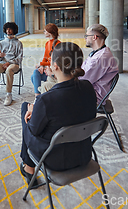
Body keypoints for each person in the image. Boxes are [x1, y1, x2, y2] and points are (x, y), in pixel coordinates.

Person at [20, 42, 97, 187]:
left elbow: (33, 131)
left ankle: (28, 168)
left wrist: (33, 111)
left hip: (55, 160)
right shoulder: (88, 87)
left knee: (25, 109)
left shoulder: (46, 100)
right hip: (84, 154)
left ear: (55, 66)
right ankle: (28, 167)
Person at [81, 24, 119, 106]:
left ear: (94, 37)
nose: (85, 38)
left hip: (93, 96)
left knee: (55, 92)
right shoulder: (101, 52)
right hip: (91, 91)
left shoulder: (100, 58)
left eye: (87, 35)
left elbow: (83, 79)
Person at [0, 22, 23, 106]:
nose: (8, 30)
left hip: (14, 64)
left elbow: (20, 58)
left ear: (14, 30)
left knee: (9, 70)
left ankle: (9, 94)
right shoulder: (2, 43)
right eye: (7, 29)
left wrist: (9, 62)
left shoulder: (18, 43)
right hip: (3, 63)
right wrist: (0, 57)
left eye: (10, 29)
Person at [30, 23, 61, 102]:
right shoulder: (47, 43)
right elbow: (45, 58)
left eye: (45, 31)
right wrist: (42, 66)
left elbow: (54, 62)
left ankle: (37, 97)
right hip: (47, 68)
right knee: (34, 75)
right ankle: (39, 95)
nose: (44, 32)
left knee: (35, 75)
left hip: (53, 70)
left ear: (50, 32)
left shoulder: (58, 44)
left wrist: (41, 64)